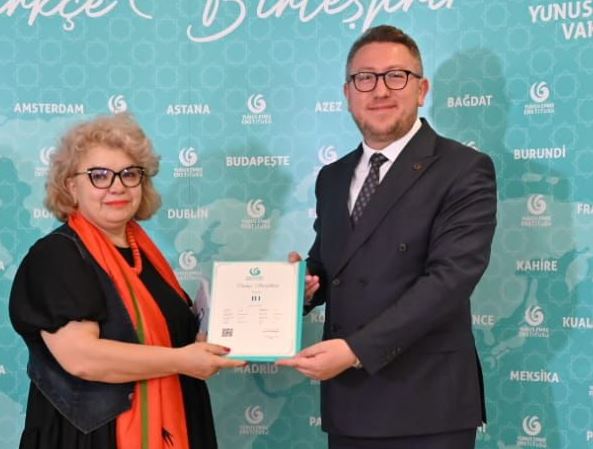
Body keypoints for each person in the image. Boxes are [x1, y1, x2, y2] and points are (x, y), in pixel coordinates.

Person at [278, 25, 497, 449]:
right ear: (347, 93)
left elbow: (450, 280)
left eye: (396, 76)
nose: (379, 90)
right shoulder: (333, 176)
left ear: (421, 89)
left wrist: (356, 350)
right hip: (349, 403)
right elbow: (331, 263)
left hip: (427, 404)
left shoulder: (463, 168)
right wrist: (300, 286)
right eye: (365, 78)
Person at [9, 113, 245, 449]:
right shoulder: (57, 256)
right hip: (93, 438)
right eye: (99, 176)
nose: (117, 186)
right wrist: (183, 360)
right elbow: (82, 359)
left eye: (129, 174)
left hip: (177, 423)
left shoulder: (146, 256)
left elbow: (174, 337)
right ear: (71, 186)